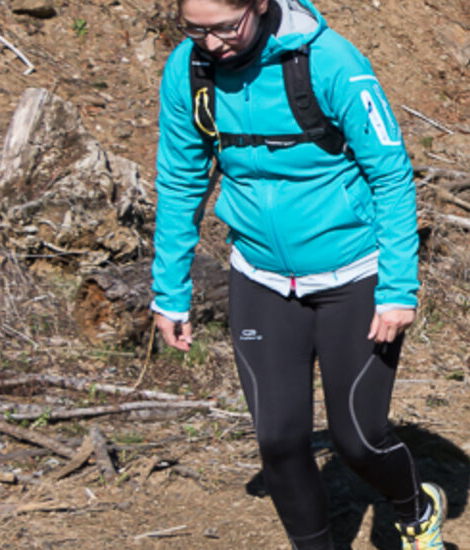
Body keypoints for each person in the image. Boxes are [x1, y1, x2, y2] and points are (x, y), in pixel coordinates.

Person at [151, 0, 445, 548]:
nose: (210, 43)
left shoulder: (330, 61)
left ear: (259, 5)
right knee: (281, 442)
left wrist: (398, 287)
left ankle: (416, 509)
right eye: (194, 29)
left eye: (224, 27)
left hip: (353, 275)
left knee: (357, 439)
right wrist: (170, 290)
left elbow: (391, 174)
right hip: (261, 278)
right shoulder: (189, 71)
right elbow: (180, 180)